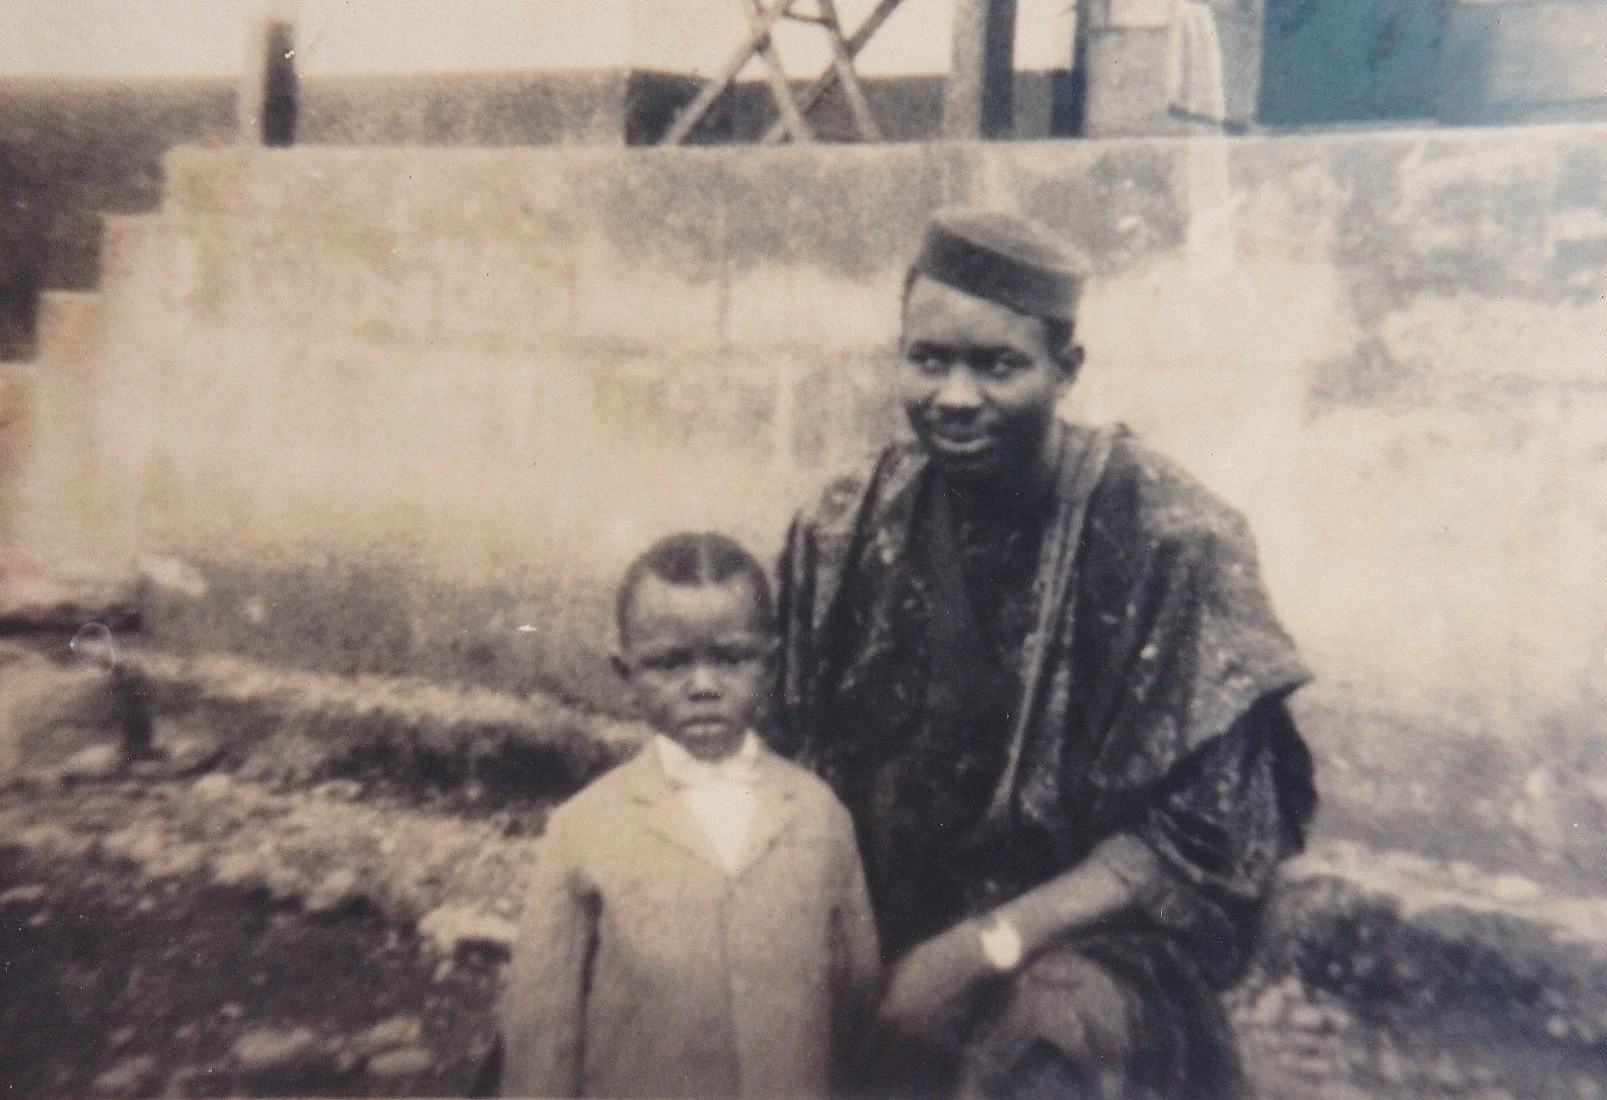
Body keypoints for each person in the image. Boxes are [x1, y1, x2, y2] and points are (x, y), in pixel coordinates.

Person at [776, 207, 1316, 1098]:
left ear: (1067, 370)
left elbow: (1203, 839)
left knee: (1046, 1037)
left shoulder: (1173, 541)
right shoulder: (842, 530)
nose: (953, 396)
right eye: (928, 360)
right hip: (877, 918)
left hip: (1086, 947)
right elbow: (780, 759)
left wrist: (974, 952)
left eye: (997, 365)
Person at [495, 532, 880, 1098]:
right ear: (625, 673)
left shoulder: (819, 817)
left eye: (730, 657)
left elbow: (858, 997)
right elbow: (542, 1032)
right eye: (670, 663)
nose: (703, 686)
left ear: (770, 665)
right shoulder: (585, 829)